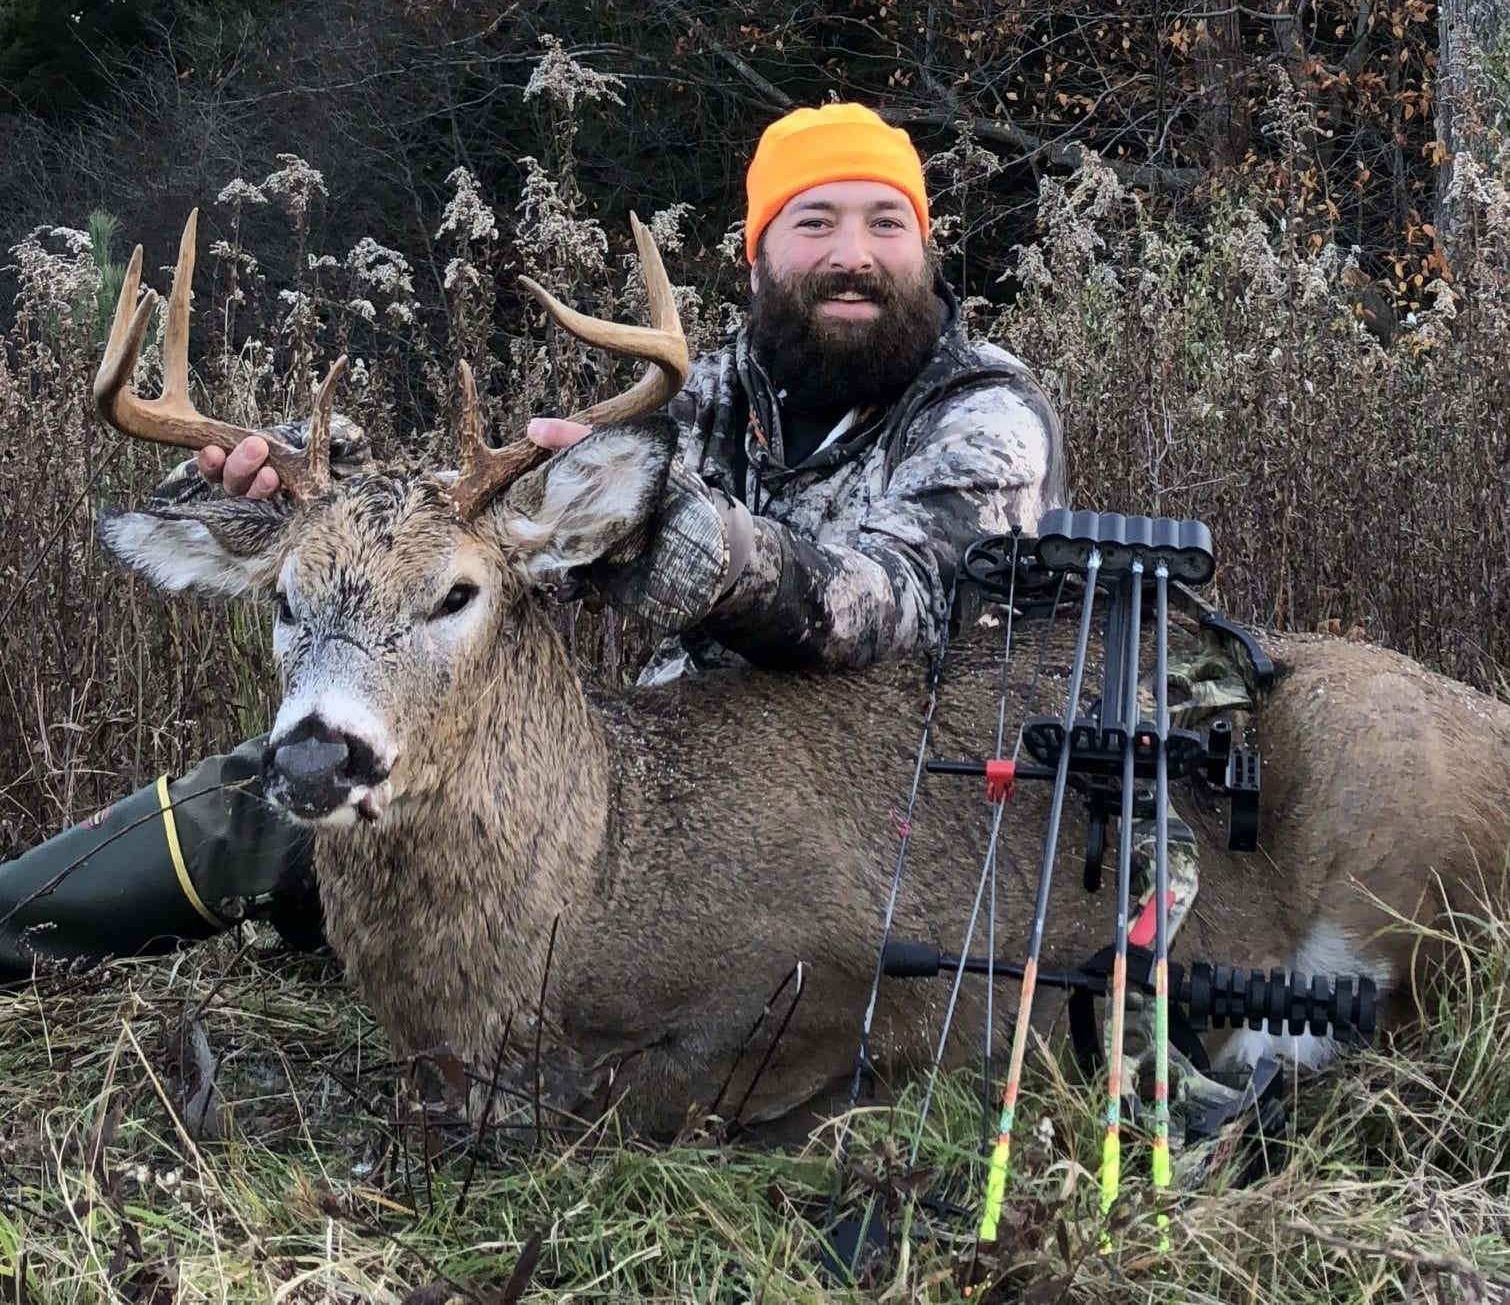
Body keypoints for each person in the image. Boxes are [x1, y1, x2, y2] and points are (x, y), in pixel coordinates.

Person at [0, 102, 1066, 979]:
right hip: (667, 752)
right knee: (293, 778)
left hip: (876, 787)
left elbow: (899, 601)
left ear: (924, 248)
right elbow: (464, 528)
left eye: (886, 223)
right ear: (756, 256)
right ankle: (15, 928)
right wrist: (302, 484)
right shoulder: (702, 397)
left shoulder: (983, 414)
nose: (853, 255)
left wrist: (688, 541)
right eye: (814, 222)